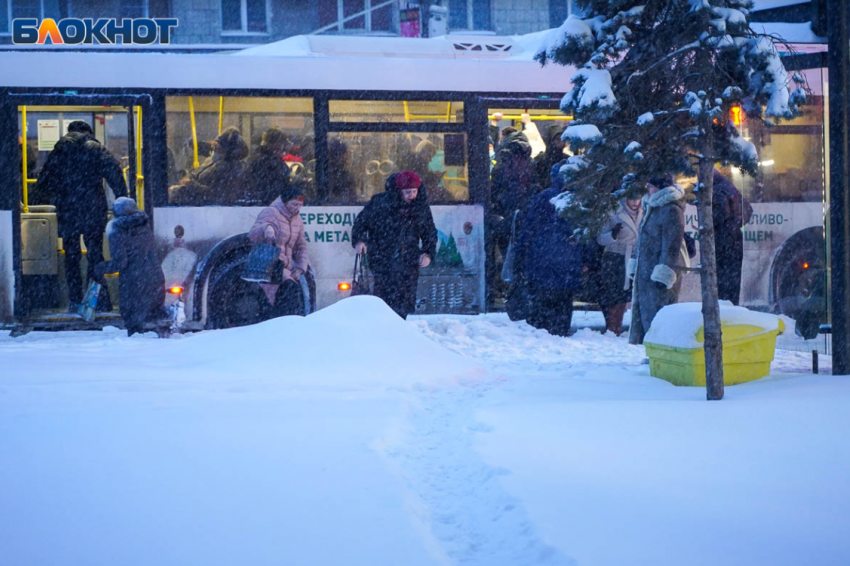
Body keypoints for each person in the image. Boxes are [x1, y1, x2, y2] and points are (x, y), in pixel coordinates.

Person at [34, 120, 128, 312]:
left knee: (72, 256)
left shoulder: (59, 150)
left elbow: (43, 182)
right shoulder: (95, 148)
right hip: (93, 209)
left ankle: (74, 301)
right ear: (88, 132)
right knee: (95, 255)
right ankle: (97, 301)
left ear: (70, 132)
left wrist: (60, 191)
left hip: (67, 210)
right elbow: (115, 174)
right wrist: (122, 199)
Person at [352, 171, 437, 319]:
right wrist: (360, 240)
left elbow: (429, 232)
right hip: (382, 258)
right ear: (399, 191)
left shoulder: (421, 206)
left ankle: (400, 327)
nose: (411, 195)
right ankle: (385, 329)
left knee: (405, 300)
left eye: (414, 192)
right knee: (384, 299)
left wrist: (427, 253)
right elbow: (360, 223)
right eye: (407, 192)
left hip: (408, 260)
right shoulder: (380, 203)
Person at [514, 164, 587, 336]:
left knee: (542, 298)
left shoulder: (543, 197)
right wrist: (587, 258)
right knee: (564, 299)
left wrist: (520, 255)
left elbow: (528, 229)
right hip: (569, 259)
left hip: (541, 257)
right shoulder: (578, 199)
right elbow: (585, 233)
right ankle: (560, 330)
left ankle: (542, 331)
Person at [94, 198, 165, 336]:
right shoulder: (144, 224)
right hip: (154, 276)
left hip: (133, 281)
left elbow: (120, 262)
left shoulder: (116, 230)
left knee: (133, 324)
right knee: (149, 323)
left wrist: (100, 267)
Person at [629, 175, 687, 345]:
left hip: (657, 275)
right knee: (648, 315)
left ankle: (660, 352)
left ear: (660, 187)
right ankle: (653, 351)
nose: (648, 190)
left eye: (651, 186)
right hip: (647, 272)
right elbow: (643, 241)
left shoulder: (670, 210)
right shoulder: (653, 207)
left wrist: (664, 273)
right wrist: (635, 263)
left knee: (659, 317)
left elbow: (672, 245)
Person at [247, 181, 310, 318]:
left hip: (286, 268)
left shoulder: (297, 220)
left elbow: (301, 247)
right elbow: (252, 235)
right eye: (294, 204)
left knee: (285, 300)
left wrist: (300, 269)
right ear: (285, 202)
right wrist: (266, 228)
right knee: (289, 293)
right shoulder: (271, 212)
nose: (297, 208)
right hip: (271, 267)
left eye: (300, 205)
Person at [597, 194, 644, 335]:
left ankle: (617, 327)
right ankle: (612, 328)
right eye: (632, 198)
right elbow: (600, 238)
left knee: (625, 296)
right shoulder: (613, 212)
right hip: (615, 258)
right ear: (625, 198)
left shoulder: (645, 211)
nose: (635, 202)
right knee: (614, 295)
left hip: (634, 258)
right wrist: (613, 235)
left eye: (638, 197)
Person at [171, 127, 249, 205]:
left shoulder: (232, 170)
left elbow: (217, 194)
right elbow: (195, 173)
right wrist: (186, 179)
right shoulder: (210, 161)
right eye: (213, 147)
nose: (213, 151)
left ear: (228, 153)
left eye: (218, 149)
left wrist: (191, 185)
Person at [713, 169, 752, 305]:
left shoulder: (716, 191)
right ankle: (731, 312)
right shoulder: (730, 188)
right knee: (732, 284)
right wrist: (736, 224)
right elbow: (748, 210)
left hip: (722, 243)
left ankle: (724, 316)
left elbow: (718, 215)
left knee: (721, 286)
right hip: (735, 241)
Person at [245, 128, 291, 206]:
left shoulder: (255, 159)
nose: (284, 150)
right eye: (282, 146)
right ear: (275, 147)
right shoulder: (273, 164)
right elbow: (276, 189)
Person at [534, 124, 567, 189]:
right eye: (557, 139)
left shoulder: (567, 158)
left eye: (562, 139)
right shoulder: (540, 159)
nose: (560, 142)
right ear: (550, 141)